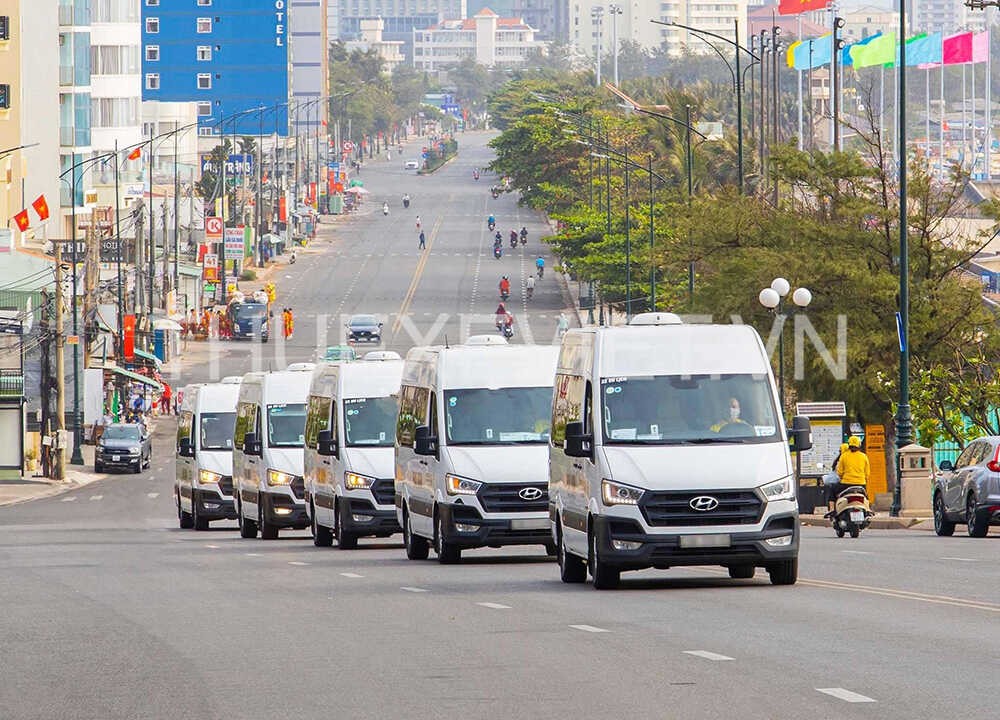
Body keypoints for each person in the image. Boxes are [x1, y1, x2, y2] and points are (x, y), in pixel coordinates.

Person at [832, 436, 870, 506]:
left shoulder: (844, 456)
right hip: (861, 484)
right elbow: (867, 473)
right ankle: (868, 510)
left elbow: (840, 472)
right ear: (859, 445)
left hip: (846, 484)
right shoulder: (864, 456)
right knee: (866, 498)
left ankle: (832, 510)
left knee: (832, 490)